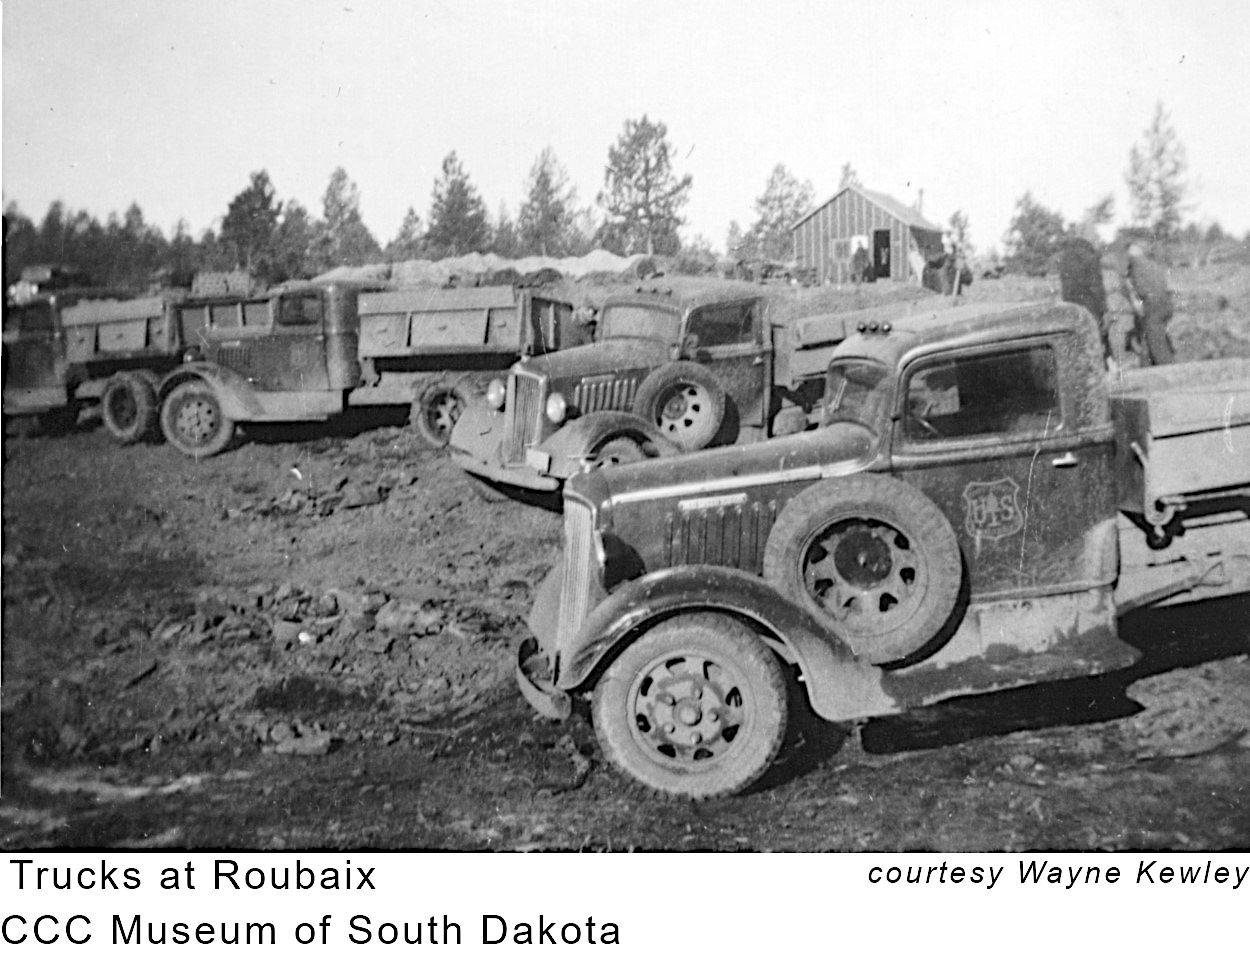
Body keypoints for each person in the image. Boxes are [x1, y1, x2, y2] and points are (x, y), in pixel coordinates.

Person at [1057, 230, 1110, 361]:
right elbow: (1096, 286)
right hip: (1090, 304)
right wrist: (1104, 310)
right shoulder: (1090, 256)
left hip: (1072, 306)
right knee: (1098, 339)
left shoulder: (1064, 257)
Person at [1123, 243, 1175, 365]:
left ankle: (1167, 366)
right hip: (1166, 303)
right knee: (1152, 335)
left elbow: (1139, 290)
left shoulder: (1135, 266)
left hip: (1152, 304)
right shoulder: (1153, 264)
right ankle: (1146, 364)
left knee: (1155, 340)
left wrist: (1137, 302)